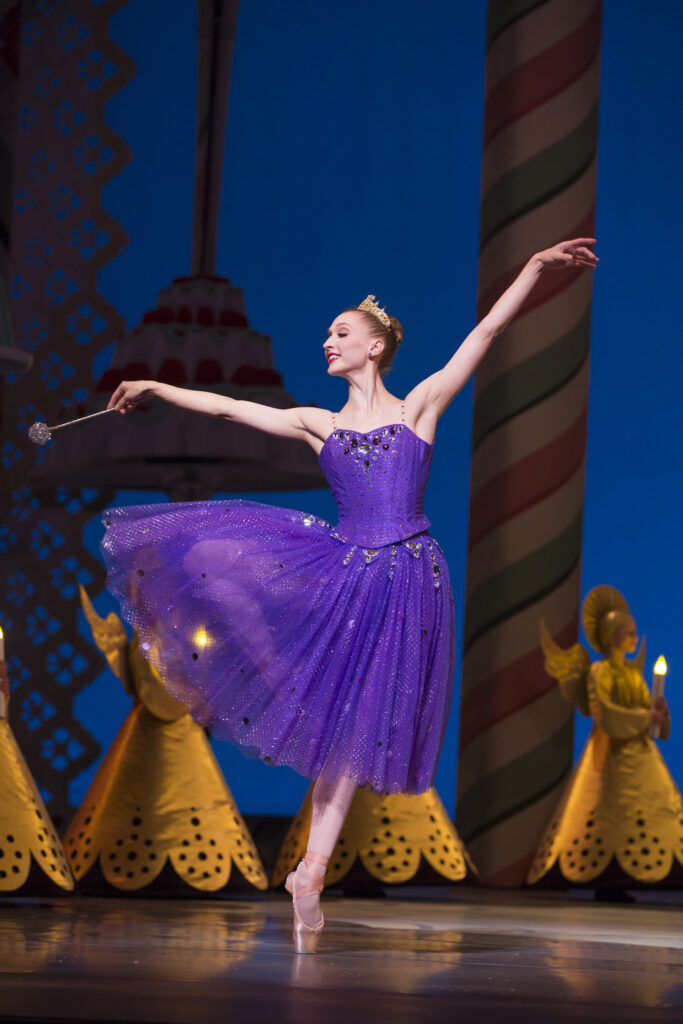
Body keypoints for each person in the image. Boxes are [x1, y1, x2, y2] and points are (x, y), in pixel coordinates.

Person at [103, 238, 598, 951]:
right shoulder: (320, 423)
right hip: (343, 568)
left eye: (340, 333)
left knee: (356, 731)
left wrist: (535, 267)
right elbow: (229, 409)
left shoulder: (419, 407)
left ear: (373, 347)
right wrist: (156, 387)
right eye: (329, 334)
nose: (326, 342)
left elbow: (484, 333)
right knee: (214, 552)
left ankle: (310, 871)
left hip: (406, 578)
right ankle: (291, 695)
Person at [530, 585, 681, 891]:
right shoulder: (600, 672)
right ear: (612, 635)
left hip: (640, 755)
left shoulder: (634, 674)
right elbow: (605, 713)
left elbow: (644, 707)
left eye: (634, 631)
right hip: (610, 754)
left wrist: (658, 712)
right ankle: (607, 876)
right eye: (627, 632)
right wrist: (645, 717)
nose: (633, 637)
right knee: (605, 811)